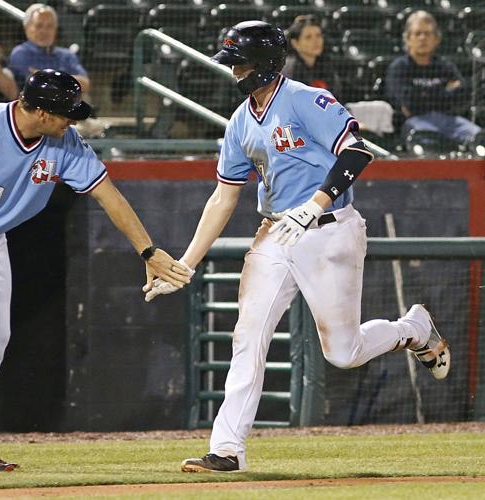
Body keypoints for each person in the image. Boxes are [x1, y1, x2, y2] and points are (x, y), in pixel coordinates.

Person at [143, 21, 451, 473]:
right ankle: (227, 449)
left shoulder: (305, 99)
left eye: (240, 62)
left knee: (343, 353)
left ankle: (414, 329)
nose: (233, 71)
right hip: (275, 232)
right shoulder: (240, 122)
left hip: (329, 227)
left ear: (266, 63)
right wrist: (186, 263)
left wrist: (314, 203)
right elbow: (223, 196)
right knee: (248, 335)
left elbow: (358, 151)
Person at [0, 69, 191, 472]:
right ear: (43, 113)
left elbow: (108, 195)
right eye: (67, 113)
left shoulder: (64, 141)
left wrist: (147, 250)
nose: (73, 121)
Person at [386, 10, 482, 146]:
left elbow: (462, 96)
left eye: (427, 33)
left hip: (450, 120)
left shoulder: (445, 66)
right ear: (408, 38)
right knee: (428, 141)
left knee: (478, 137)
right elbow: (409, 102)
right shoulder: (399, 68)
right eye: (417, 33)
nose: (422, 38)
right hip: (417, 122)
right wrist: (445, 92)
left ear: (436, 39)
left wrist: (422, 95)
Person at [9, 4, 90, 93]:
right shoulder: (20, 53)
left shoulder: (67, 55)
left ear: (55, 29)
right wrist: (65, 79)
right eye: (39, 26)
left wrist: (49, 77)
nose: (44, 31)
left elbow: (85, 84)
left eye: (50, 26)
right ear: (26, 28)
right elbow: (34, 85)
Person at [281, 15, 342, 98]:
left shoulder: (326, 65)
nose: (316, 41)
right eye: (308, 37)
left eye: (318, 35)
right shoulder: (289, 68)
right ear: (295, 43)